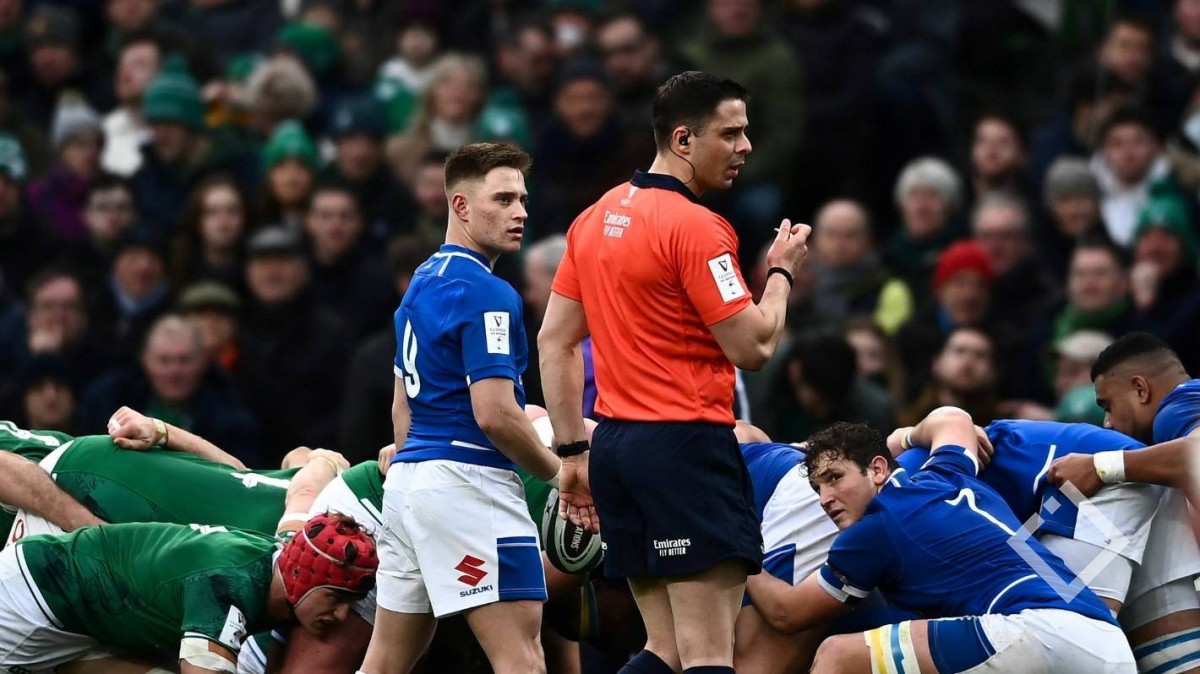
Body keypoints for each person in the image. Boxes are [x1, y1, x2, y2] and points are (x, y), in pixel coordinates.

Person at [538, 71, 810, 674]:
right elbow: (753, 347)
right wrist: (782, 273)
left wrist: (574, 454)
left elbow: (554, 343)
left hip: (616, 450)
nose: (745, 147)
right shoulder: (698, 228)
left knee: (664, 649)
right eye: (730, 133)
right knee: (709, 654)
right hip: (685, 449)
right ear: (683, 139)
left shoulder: (595, 216)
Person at [358, 143, 564, 674]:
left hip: (409, 488)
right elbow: (494, 414)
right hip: (468, 483)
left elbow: (402, 406)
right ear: (461, 206)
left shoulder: (421, 282)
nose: (520, 213)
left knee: (384, 663)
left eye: (522, 199)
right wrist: (561, 477)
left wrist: (412, 467)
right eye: (503, 199)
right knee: (522, 660)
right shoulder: (488, 291)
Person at [744, 410, 1135, 672]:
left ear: (878, 469)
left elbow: (788, 614)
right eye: (817, 488)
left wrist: (736, 549)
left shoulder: (874, 530)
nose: (825, 498)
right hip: (1111, 646)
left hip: (1039, 631)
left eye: (835, 478)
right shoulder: (947, 473)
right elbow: (953, 418)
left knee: (836, 656)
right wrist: (905, 436)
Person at [0, 512, 376, 673]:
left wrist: (320, 458)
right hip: (30, 602)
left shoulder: (280, 552)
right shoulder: (227, 587)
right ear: (300, 575)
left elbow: (305, 488)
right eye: (336, 598)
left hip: (83, 626)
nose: (342, 615)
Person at [1049, 332, 1200, 673]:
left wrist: (1100, 466)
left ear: (1140, 389)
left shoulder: (1177, 408)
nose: (1107, 422)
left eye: (1107, 405)